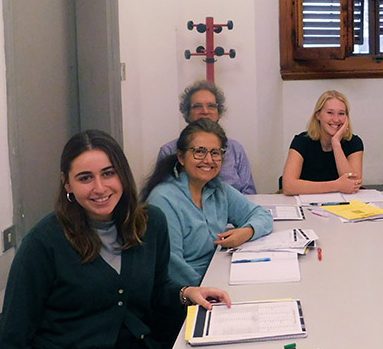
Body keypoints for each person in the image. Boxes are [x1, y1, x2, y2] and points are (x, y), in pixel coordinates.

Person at [0, 130, 231, 349]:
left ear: (123, 173)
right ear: (67, 185)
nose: (100, 188)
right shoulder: (44, 243)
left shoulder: (150, 223)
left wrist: (185, 293)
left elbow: (156, 290)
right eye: (85, 178)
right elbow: (13, 340)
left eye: (108, 173)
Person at [145, 119, 273, 287]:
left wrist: (246, 232)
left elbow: (262, 215)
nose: (208, 160)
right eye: (199, 152)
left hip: (221, 274)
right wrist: (213, 288)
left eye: (215, 153)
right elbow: (173, 268)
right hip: (190, 293)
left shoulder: (218, 189)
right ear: (181, 157)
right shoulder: (163, 199)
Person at [157, 80, 256, 194]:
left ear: (219, 113)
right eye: (197, 106)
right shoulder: (169, 151)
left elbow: (250, 194)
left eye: (211, 106)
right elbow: (163, 195)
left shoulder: (235, 149)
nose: (205, 111)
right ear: (187, 113)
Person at [281, 90, 364, 196]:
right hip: (307, 203)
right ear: (318, 115)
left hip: (343, 206)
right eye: (330, 113)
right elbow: (288, 186)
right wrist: (336, 185)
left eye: (341, 114)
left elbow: (353, 183)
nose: (336, 119)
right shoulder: (301, 141)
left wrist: (336, 143)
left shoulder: (354, 142)